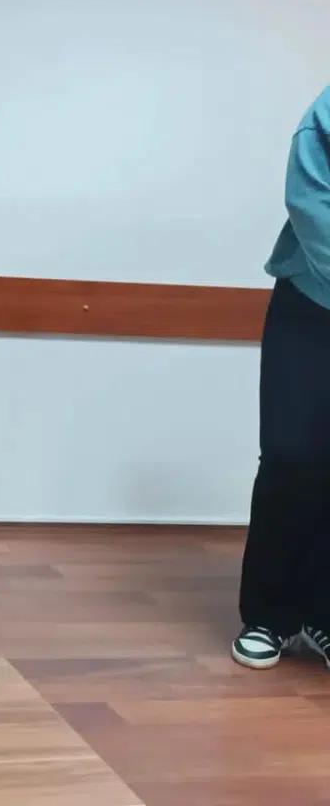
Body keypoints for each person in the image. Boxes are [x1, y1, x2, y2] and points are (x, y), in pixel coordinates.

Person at [232, 84, 330, 671]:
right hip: (314, 302)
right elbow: (312, 202)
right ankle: (269, 615)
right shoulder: (327, 112)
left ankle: (323, 616)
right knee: (293, 455)